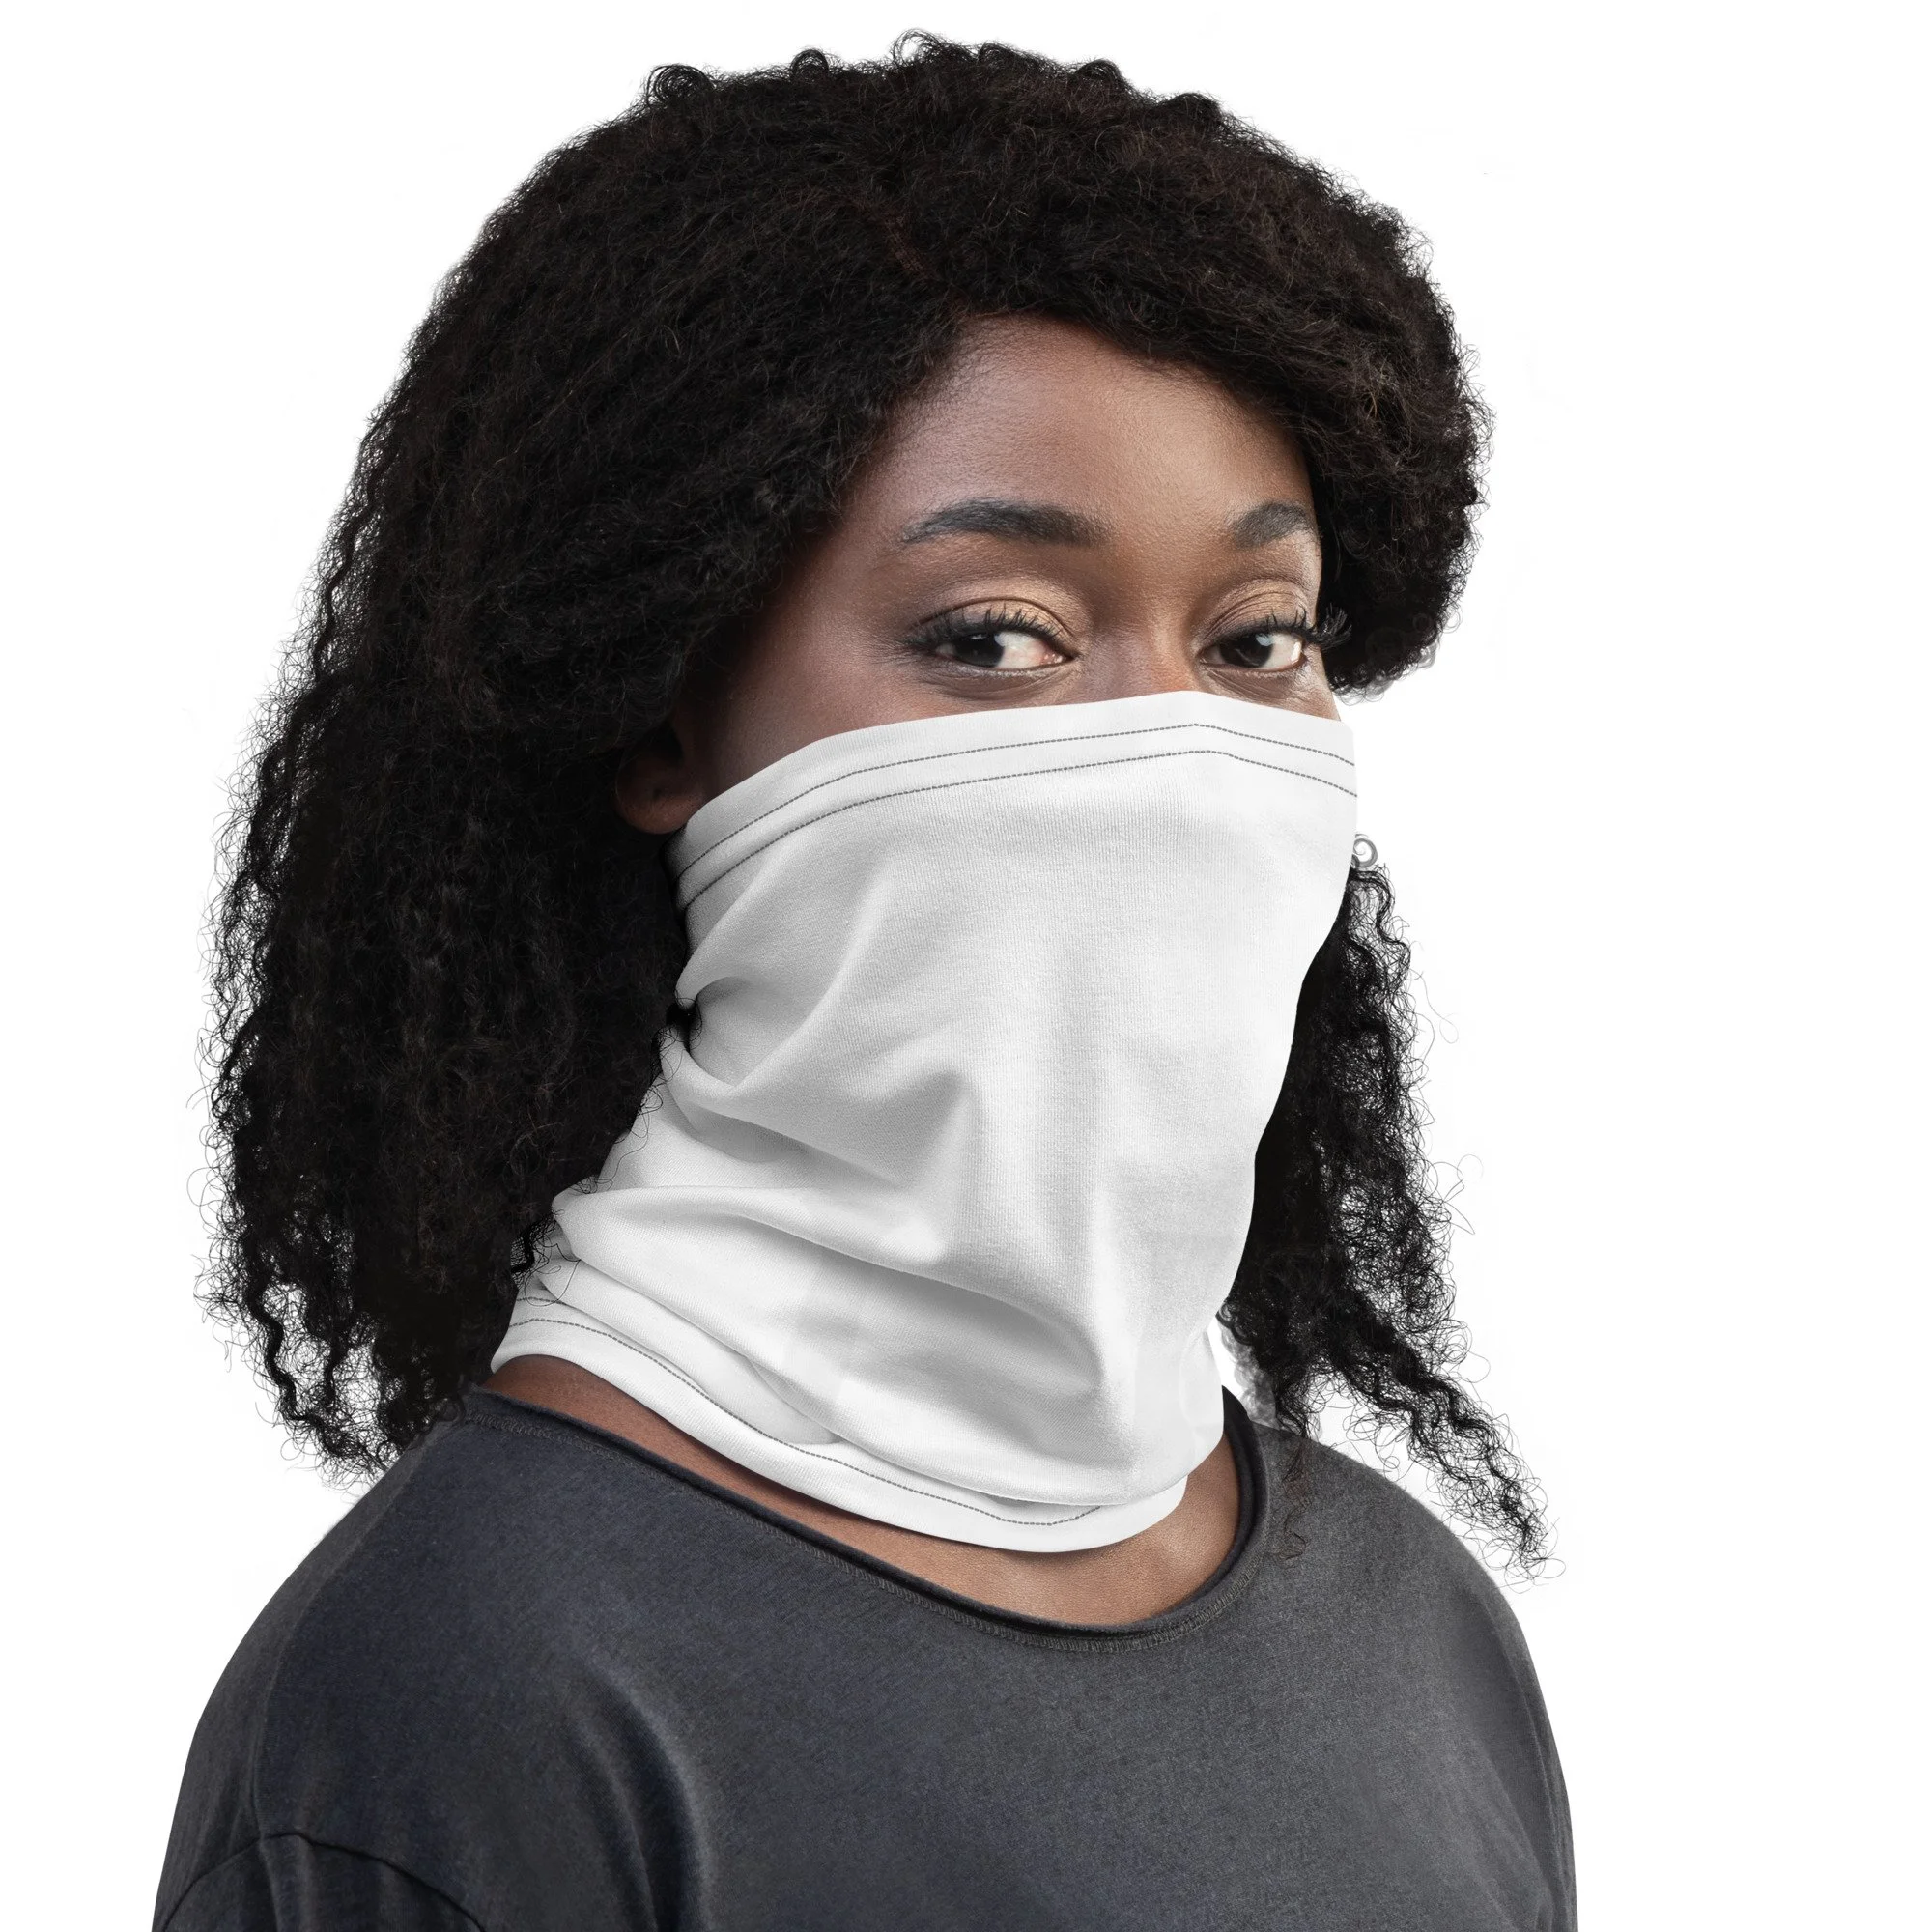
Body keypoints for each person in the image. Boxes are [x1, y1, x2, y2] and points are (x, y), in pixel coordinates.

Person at [157, 39, 1574, 1931]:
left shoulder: (1414, 1632)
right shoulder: (474, 1701)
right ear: (665, 715)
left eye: (1256, 640)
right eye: (995, 636)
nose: (1171, 754)